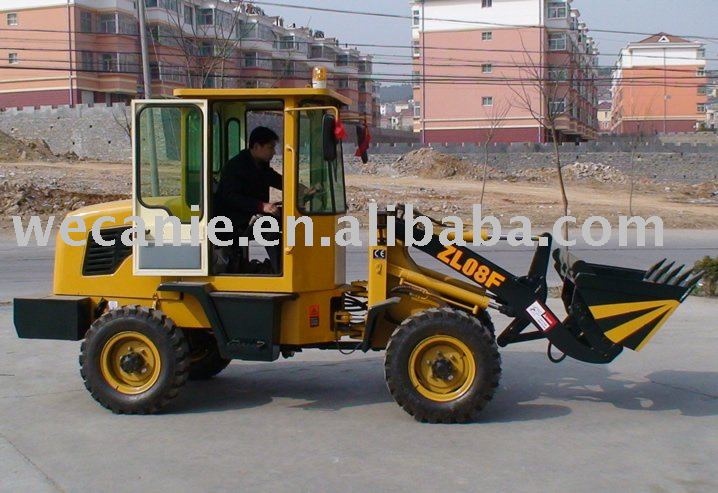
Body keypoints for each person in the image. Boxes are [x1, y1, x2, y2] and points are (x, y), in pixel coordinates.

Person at [214, 126, 283, 273]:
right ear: (257, 146)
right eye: (271, 147)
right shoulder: (236, 166)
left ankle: (285, 267)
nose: (274, 152)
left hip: (248, 216)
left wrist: (299, 188)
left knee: (283, 217)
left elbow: (275, 179)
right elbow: (230, 197)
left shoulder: (259, 165)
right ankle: (281, 272)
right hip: (230, 222)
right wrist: (261, 206)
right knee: (269, 227)